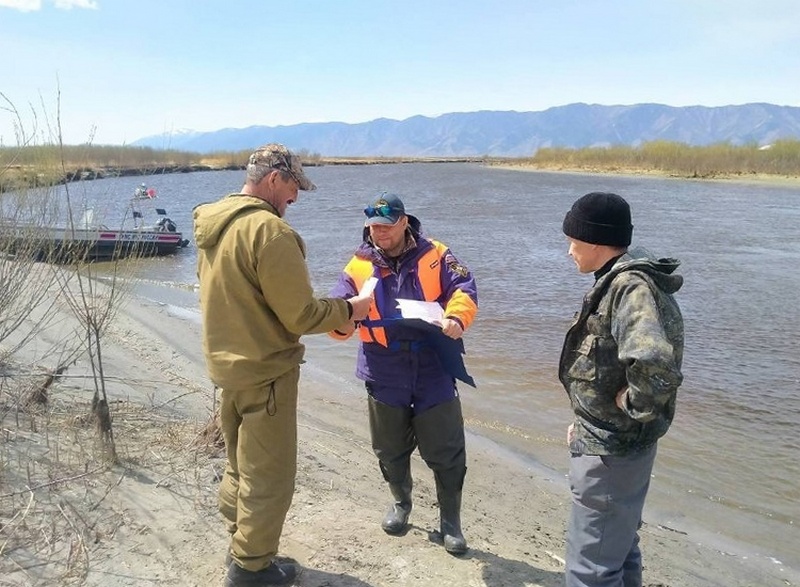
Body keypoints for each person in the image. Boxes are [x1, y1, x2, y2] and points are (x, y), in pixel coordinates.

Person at [193, 143, 372, 587]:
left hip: (228, 368)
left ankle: (240, 544)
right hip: (266, 372)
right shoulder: (270, 233)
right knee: (269, 477)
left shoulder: (214, 224)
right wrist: (353, 308)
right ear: (274, 178)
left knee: (239, 465)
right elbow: (303, 316)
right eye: (294, 186)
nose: (296, 197)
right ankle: (251, 569)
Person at [329, 192, 478, 555]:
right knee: (390, 447)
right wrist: (343, 318)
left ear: (404, 222)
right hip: (383, 367)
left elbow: (465, 288)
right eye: (373, 227)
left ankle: (450, 521)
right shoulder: (359, 264)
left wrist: (457, 317)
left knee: (446, 448)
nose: (378, 233)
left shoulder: (437, 254)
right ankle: (401, 503)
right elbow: (337, 304)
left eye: (385, 226)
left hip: (433, 365)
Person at [558, 192, 685, 587]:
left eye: (573, 241)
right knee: (618, 547)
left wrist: (630, 406)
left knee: (591, 568)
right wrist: (586, 419)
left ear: (595, 243)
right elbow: (604, 368)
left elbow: (654, 364)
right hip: (613, 444)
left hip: (612, 452)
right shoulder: (621, 278)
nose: (569, 251)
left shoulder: (630, 289)